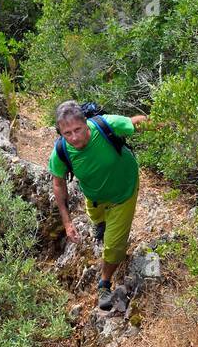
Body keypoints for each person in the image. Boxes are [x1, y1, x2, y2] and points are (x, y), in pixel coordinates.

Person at [49, 101, 148, 310]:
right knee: (96, 217)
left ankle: (104, 283)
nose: (74, 137)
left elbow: (135, 122)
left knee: (113, 245)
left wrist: (167, 124)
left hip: (124, 192)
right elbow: (58, 184)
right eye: (67, 133)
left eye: (78, 129)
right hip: (95, 198)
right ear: (60, 132)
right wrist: (67, 223)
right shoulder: (60, 151)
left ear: (86, 123)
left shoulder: (106, 126)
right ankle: (100, 223)